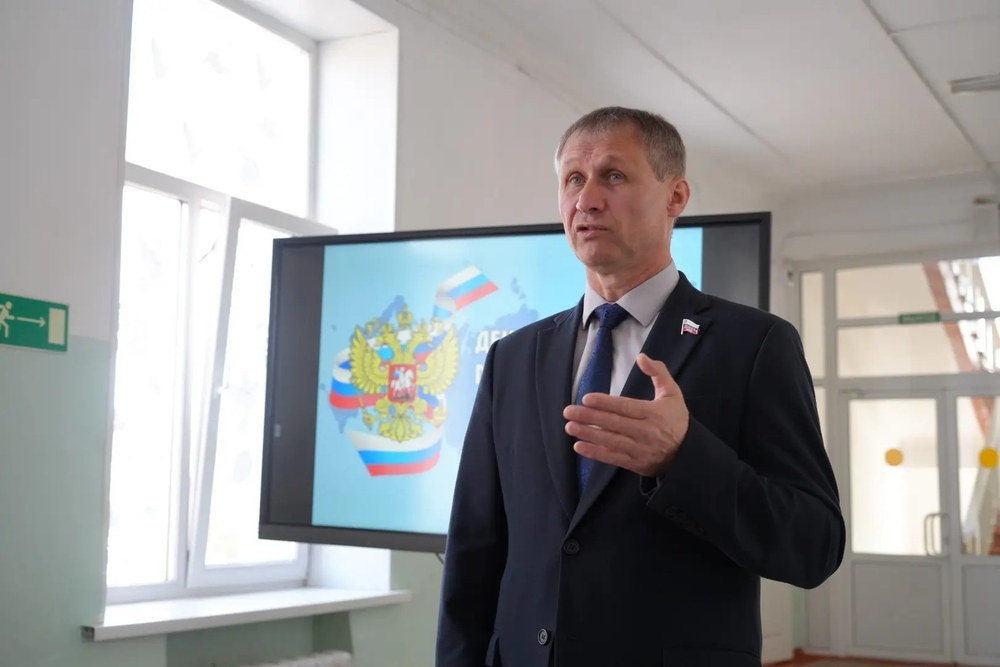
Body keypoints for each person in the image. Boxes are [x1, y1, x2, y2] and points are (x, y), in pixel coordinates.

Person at [435, 106, 844, 667]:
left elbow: (814, 545)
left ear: (676, 196)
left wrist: (683, 458)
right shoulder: (514, 357)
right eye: (573, 180)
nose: (586, 200)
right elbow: (474, 548)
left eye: (613, 175)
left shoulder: (754, 344)